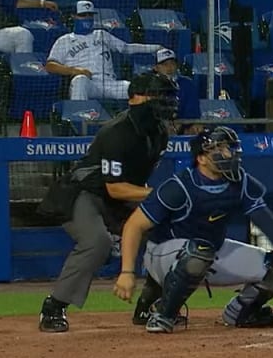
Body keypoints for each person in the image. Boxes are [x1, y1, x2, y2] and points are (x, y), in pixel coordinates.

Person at [112, 126, 273, 333]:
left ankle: (241, 312)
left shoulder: (240, 181)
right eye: (220, 148)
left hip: (211, 251)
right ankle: (163, 315)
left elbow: (261, 215)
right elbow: (133, 225)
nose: (229, 153)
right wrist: (127, 272)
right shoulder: (179, 186)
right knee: (198, 253)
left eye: (230, 148)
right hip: (163, 255)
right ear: (201, 158)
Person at [38, 72, 178, 333]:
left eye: (167, 96)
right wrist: (156, 194)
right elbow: (115, 188)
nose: (166, 102)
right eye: (159, 95)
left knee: (167, 231)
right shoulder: (117, 131)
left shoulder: (159, 132)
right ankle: (54, 307)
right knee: (96, 242)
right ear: (137, 96)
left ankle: (151, 304)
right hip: (85, 194)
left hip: (119, 199)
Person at [46, 0, 164, 101]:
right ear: (73, 16)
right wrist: (74, 70)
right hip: (89, 82)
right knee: (79, 81)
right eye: (83, 15)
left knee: (135, 88)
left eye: (90, 15)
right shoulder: (64, 40)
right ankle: (80, 121)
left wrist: (155, 47)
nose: (87, 18)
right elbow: (50, 65)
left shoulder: (102, 34)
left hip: (110, 83)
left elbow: (126, 48)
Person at [152, 47, 200, 131]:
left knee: (197, 128)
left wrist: (179, 124)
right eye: (164, 64)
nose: (169, 67)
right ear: (156, 68)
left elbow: (192, 112)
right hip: (157, 127)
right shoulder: (150, 85)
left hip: (183, 126)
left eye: (172, 63)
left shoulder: (187, 84)